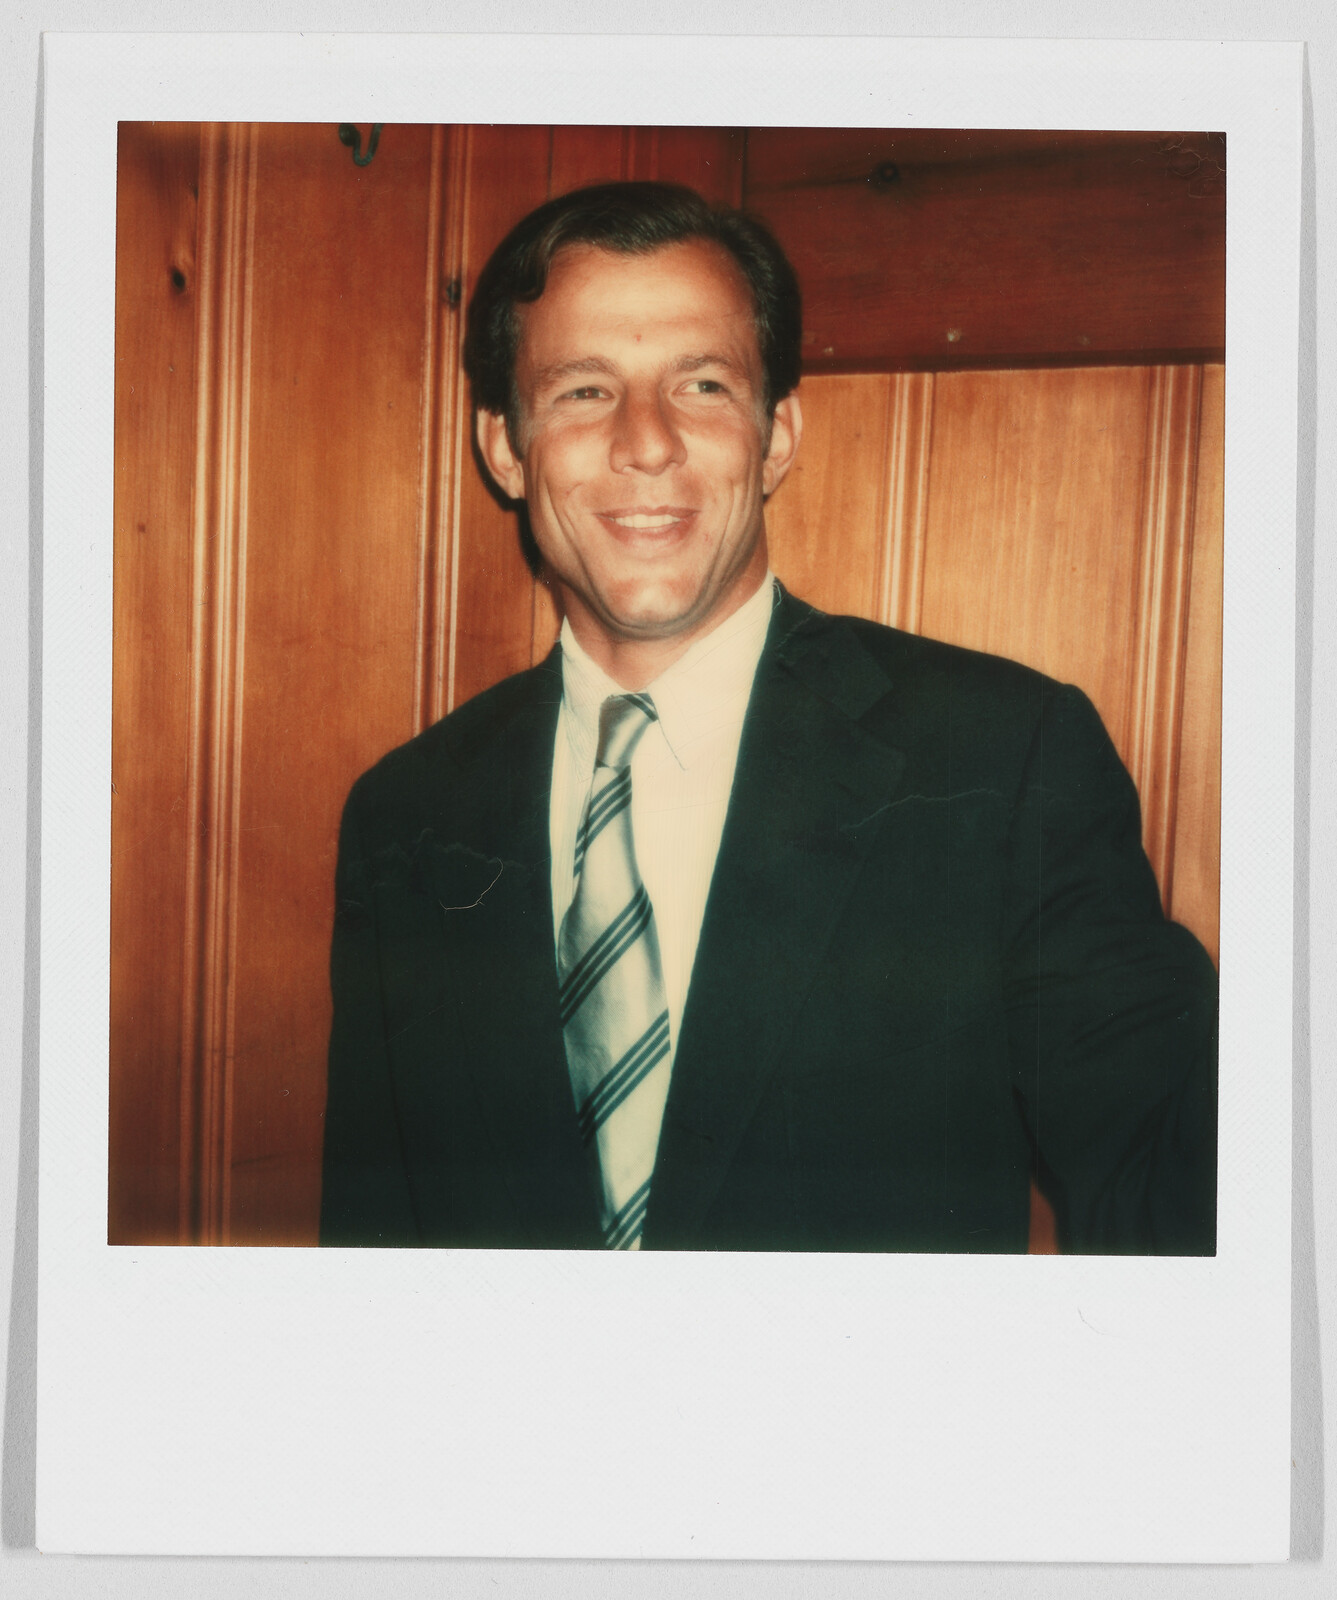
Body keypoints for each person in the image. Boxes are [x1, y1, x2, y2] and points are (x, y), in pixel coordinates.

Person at [320, 181, 1217, 1255]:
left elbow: (1181, 1201)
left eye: (700, 384)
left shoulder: (1006, 760)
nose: (646, 442)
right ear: (506, 449)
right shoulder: (405, 814)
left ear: (776, 435)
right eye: (583, 390)